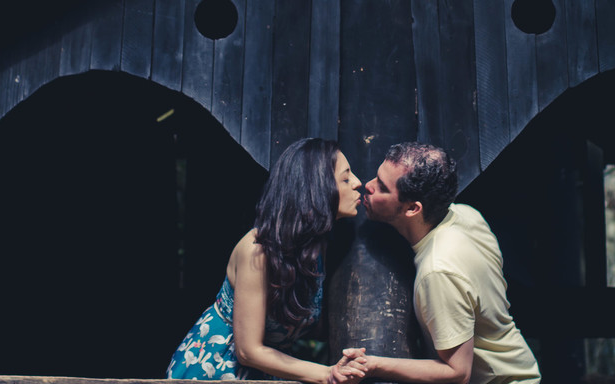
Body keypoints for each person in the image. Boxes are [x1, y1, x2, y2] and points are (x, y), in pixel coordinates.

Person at [167, 137, 365, 383]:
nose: (358, 183)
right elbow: (248, 351)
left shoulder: (315, 247)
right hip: (217, 368)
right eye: (345, 179)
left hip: (269, 371)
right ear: (316, 187)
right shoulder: (258, 251)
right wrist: (328, 373)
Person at [346, 142, 542, 384]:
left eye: (382, 187)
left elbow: (457, 373)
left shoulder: (438, 272)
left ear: (412, 208)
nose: (368, 186)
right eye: (377, 177)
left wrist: (373, 364)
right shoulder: (466, 215)